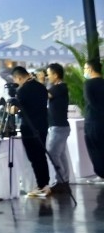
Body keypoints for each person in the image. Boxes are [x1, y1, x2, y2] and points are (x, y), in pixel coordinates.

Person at [11, 66, 51, 197]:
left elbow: (15, 110)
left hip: (29, 128)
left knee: (34, 157)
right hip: (43, 125)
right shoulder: (41, 87)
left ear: (18, 78)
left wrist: (9, 108)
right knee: (41, 155)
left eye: (15, 79)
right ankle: (45, 184)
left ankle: (41, 186)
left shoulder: (22, 91)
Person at [46, 63, 75, 193]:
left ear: (56, 75)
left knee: (53, 153)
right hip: (58, 126)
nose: (47, 77)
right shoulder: (58, 87)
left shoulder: (60, 87)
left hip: (59, 127)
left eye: (49, 74)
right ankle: (64, 180)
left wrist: (40, 82)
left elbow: (46, 95)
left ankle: (61, 180)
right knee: (61, 154)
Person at [84, 60, 104, 183]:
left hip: (93, 120)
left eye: (85, 68)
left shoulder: (89, 84)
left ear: (90, 69)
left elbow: (90, 102)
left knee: (94, 149)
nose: (84, 71)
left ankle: (101, 174)